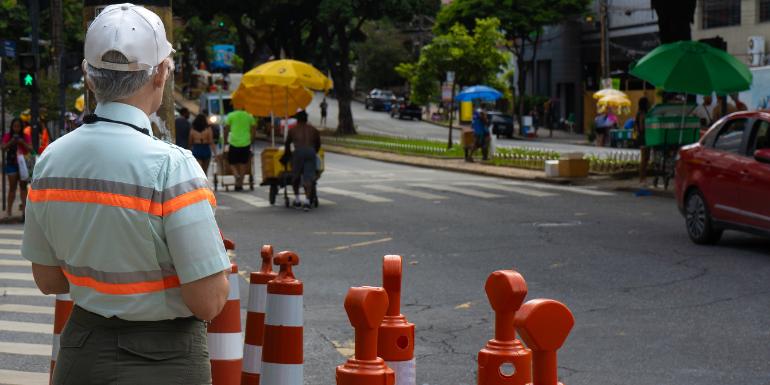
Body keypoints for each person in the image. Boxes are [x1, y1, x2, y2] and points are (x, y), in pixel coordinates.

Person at [21, 5, 230, 385]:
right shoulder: (172, 167)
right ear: (162, 73)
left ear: (88, 74)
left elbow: (49, 280)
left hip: (82, 353)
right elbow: (209, 300)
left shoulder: (51, 160)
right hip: (166, 360)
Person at [284, 110, 321, 211]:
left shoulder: (293, 130)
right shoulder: (313, 130)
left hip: (298, 152)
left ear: (297, 120)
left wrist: (288, 155)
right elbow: (318, 144)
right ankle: (307, 202)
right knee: (308, 178)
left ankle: (297, 200)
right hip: (311, 152)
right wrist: (313, 152)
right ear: (306, 119)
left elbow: (287, 144)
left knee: (295, 176)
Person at [2, 118, 32, 218]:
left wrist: (21, 142)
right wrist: (12, 141)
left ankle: (25, 211)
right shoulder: (8, 136)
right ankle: (9, 211)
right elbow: (3, 147)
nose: (17, 129)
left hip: (23, 164)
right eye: (15, 126)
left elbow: (31, 149)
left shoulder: (25, 136)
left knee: (23, 188)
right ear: (12, 127)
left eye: (18, 126)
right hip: (11, 164)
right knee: (12, 188)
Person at [224, 108, 256, 191]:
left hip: (234, 142)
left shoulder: (231, 116)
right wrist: (252, 140)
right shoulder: (249, 116)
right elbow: (253, 129)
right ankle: (239, 184)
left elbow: (226, 129)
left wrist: (225, 141)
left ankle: (236, 174)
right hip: (246, 143)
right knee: (243, 164)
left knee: (231, 162)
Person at [634, 97, 651, 184]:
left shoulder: (641, 113)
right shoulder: (641, 114)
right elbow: (641, 127)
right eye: (647, 103)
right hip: (643, 137)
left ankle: (643, 177)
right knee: (644, 158)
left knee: (646, 158)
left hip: (644, 137)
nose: (649, 104)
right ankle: (642, 178)